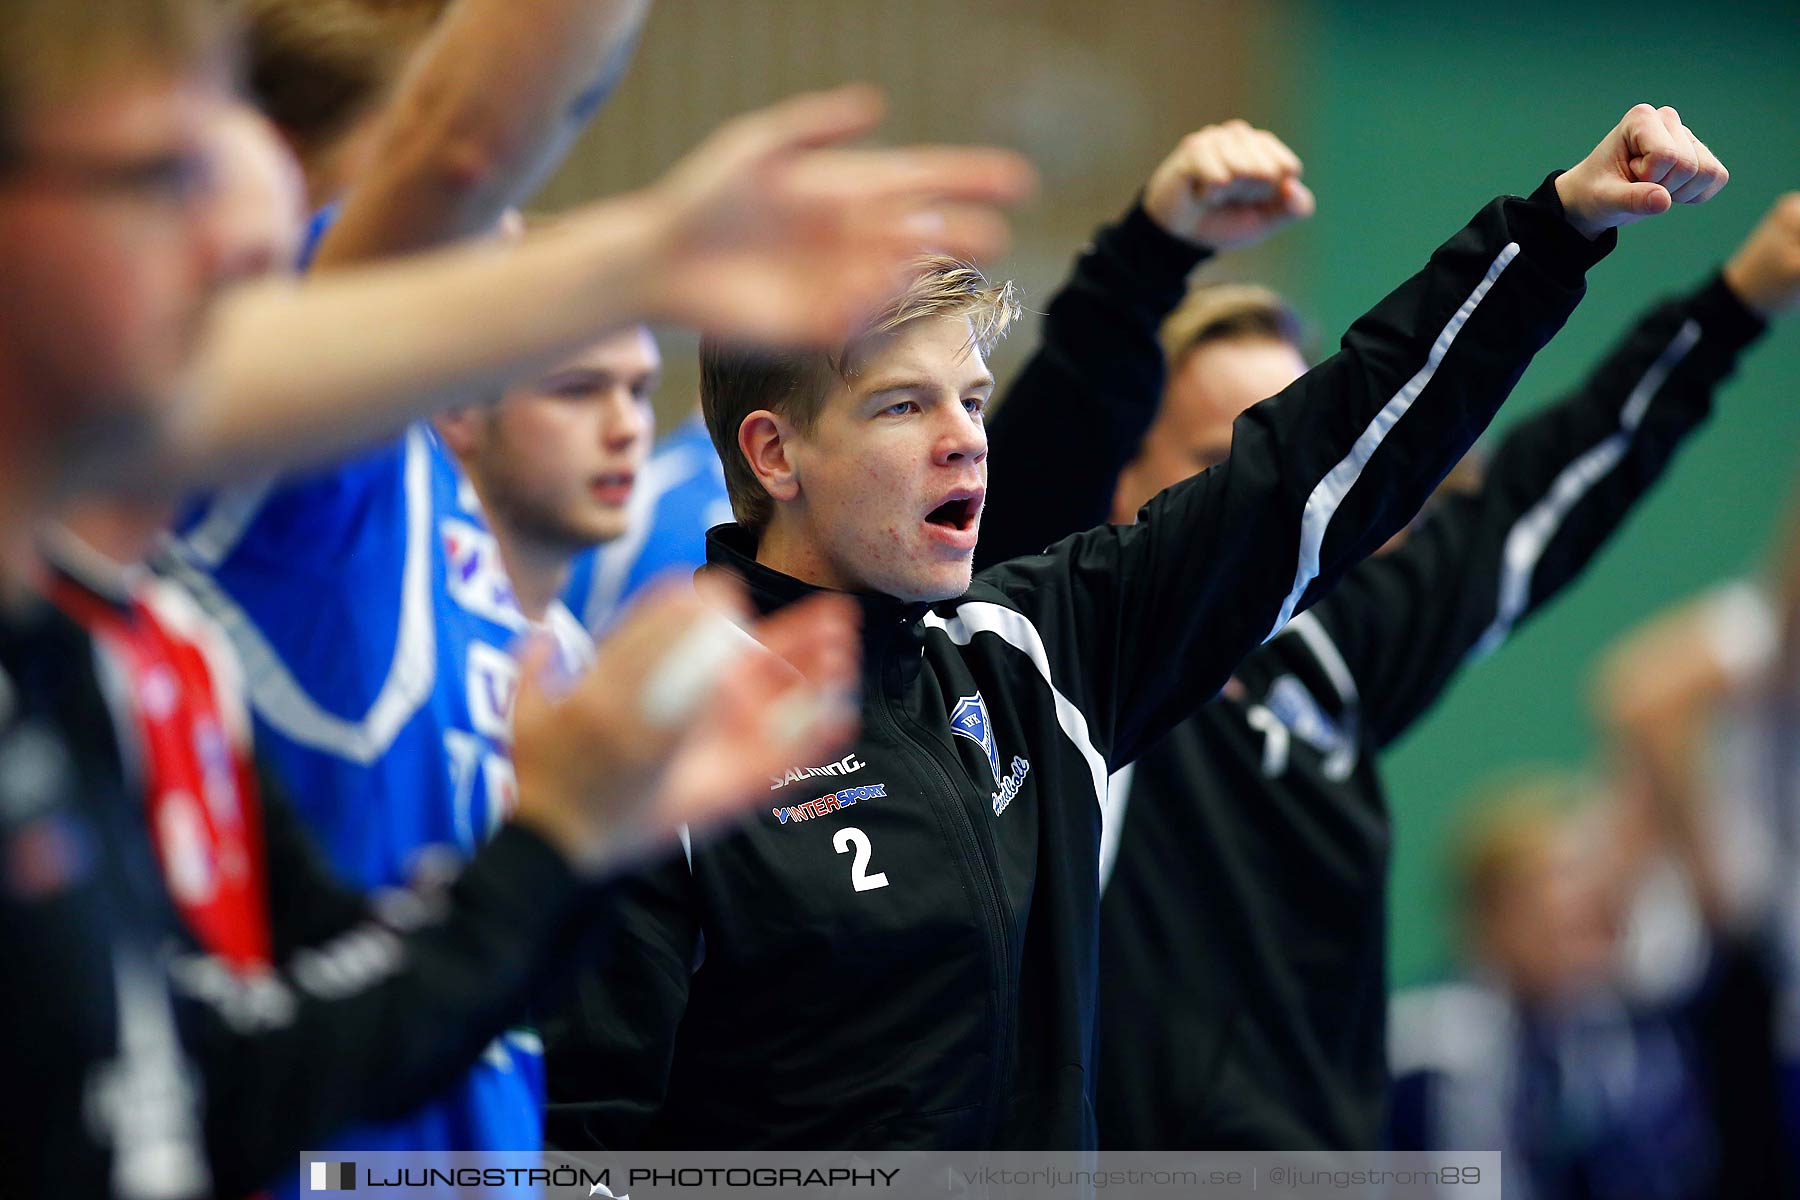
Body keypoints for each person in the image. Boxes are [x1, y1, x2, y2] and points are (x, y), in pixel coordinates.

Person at [543, 106, 1728, 1150]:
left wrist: (1555, 231)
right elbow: (585, 1144)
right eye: (905, 405)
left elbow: (1308, 461)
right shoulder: (659, 741)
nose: (967, 437)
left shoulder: (1027, 655)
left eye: (972, 397)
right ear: (774, 452)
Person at [0, 0, 1030, 1192]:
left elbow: (245, 1068)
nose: (237, 227)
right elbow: (456, 140)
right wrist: (641, 253)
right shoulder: (314, 509)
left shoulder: (176, 642)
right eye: (164, 174)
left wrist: (559, 845)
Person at [974, 149, 1792, 1145]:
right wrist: (1150, 249)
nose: (1271, 502)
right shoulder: (1053, 675)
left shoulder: (1338, 656)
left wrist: (1736, 303)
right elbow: (1042, 457)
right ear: (1116, 479)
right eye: (1218, 467)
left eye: (1296, 456)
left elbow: (1546, 490)